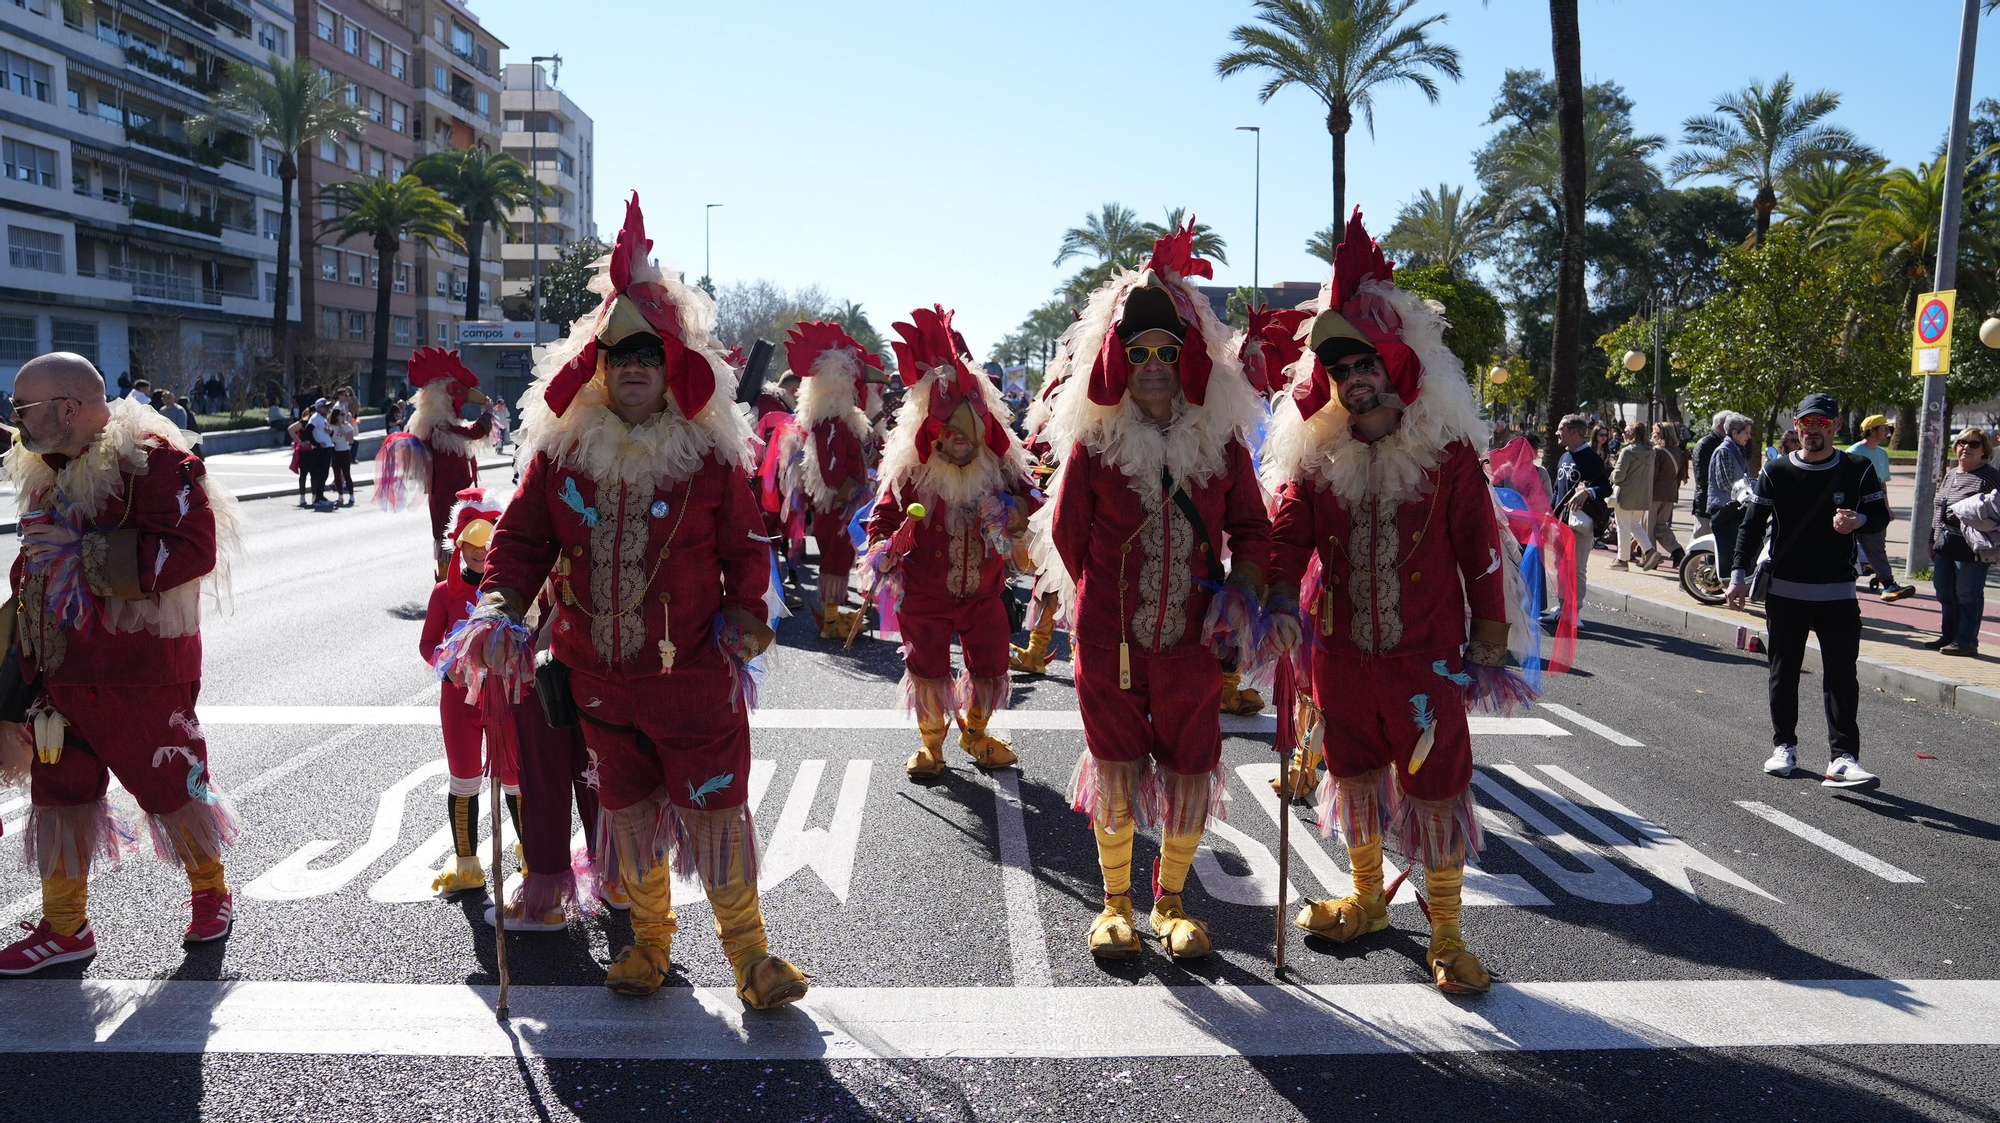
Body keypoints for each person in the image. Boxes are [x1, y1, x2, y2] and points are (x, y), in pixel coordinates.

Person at [445, 193, 805, 1008]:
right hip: (598, 678)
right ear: (598, 366)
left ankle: (750, 957)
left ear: (673, 363)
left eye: (649, 351)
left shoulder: (708, 460)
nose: (634, 365)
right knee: (629, 815)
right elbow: (522, 543)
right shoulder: (561, 457)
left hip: (693, 679)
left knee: (715, 811)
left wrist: (749, 613)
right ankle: (646, 945)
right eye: (620, 354)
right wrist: (498, 607)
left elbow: (746, 547)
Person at [1262, 211, 1530, 995]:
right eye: (1342, 370)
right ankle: (1368, 899)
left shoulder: (1445, 455)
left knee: (1436, 784)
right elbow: (1289, 533)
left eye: (1367, 365)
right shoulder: (1320, 457)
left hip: (1426, 656)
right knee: (1352, 773)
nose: (1355, 380)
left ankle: (1446, 931)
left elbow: (1480, 545)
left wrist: (1488, 633)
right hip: (1342, 657)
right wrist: (1275, 592)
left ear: (1397, 367)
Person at [1035, 220, 1271, 962]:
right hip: (1112, 644)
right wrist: (1103, 611)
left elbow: (1254, 531)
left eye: (1168, 350)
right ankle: (1114, 906)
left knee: (1191, 765)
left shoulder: (1222, 445)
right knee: (1114, 764)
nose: (1154, 364)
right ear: (1117, 361)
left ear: (1189, 358)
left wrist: (1242, 595)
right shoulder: (1094, 445)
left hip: (1195, 645)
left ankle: (1169, 901)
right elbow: (1069, 538)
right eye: (1138, 352)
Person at [0, 352, 243, 975]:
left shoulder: (155, 462)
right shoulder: (44, 464)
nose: (14, 417)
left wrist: (84, 553)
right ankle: (64, 928)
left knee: (171, 785)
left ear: (68, 409)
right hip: (58, 669)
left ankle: (211, 893)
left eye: (22, 406)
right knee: (60, 794)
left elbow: (194, 549)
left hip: (140, 672)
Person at [866, 304, 1037, 779]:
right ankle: (932, 746)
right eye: (949, 430)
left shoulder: (999, 468)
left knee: (990, 666)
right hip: (925, 594)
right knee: (928, 672)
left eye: (969, 430)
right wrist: (883, 547)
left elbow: (1033, 501)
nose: (959, 439)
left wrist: (1013, 513)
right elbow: (882, 516)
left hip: (984, 593)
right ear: (934, 432)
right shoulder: (912, 471)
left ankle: (975, 734)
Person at [1726, 393, 1892, 791]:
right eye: (1806, 423)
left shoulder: (1857, 467)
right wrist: (1736, 573)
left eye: (1821, 424)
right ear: (1796, 427)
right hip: (1786, 590)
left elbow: (1881, 515)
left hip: (1837, 592)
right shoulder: (1777, 471)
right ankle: (1784, 746)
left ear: (1835, 427)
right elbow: (1752, 524)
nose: (1812, 431)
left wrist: (1860, 519)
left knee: (1841, 676)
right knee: (1783, 673)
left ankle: (1844, 759)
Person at [419, 488, 521, 896]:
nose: (480, 552)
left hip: (505, 698)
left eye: (489, 543)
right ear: (458, 545)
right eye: (472, 544)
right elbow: (428, 644)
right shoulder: (444, 592)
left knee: (515, 779)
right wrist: (449, 662)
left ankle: (532, 857)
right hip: (458, 700)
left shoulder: (512, 590)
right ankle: (467, 864)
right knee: (464, 780)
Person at [789, 321, 884, 638]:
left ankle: (833, 615)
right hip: (840, 507)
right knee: (834, 560)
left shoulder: (839, 420)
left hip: (846, 505)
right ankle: (830, 621)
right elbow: (830, 467)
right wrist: (849, 491)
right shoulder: (830, 422)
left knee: (839, 559)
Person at [376, 349, 495, 571]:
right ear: (440, 395)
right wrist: (486, 415)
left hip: (454, 488)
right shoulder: (439, 423)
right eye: (456, 391)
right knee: (448, 532)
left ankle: (453, 580)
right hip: (447, 490)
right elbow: (473, 433)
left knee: (455, 532)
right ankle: (446, 583)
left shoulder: (440, 421)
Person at [1925, 427, 2000, 657]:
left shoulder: (1989, 476)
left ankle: (1966, 640)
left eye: (1974, 444)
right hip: (1946, 541)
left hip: (1973, 543)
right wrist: (1932, 539)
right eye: (1961, 442)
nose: (1966, 447)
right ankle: (1949, 636)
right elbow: (1940, 509)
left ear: (1984, 451)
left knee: (1968, 593)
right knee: (1944, 591)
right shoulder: (1951, 473)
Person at [1846, 415, 1916, 602]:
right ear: (1872, 430)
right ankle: (1843, 587)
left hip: (1874, 510)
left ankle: (1888, 585)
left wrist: (1886, 509)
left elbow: (1882, 484)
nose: (1887, 432)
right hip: (1855, 509)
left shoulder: (1882, 454)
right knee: (1846, 550)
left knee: (1877, 548)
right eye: (1884, 428)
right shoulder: (1854, 452)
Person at [1554, 414, 1611, 614]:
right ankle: (1562, 607)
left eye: (1561, 429)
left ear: (1575, 432)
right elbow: (1557, 490)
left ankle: (1574, 611)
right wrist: (1551, 516)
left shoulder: (1591, 458)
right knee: (1560, 565)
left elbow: (1606, 488)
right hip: (1561, 522)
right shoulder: (1564, 455)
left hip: (1581, 523)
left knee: (1577, 568)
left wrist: (1587, 492)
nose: (1556, 433)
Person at [1705, 412, 1757, 569]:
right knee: (1727, 550)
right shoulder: (1725, 451)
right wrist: (1746, 496)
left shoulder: (1736, 449)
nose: (1749, 436)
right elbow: (1726, 483)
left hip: (1733, 507)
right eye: (1746, 432)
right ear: (1734, 432)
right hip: (1724, 508)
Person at [1609, 421, 1658, 570]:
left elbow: (1618, 475)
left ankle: (1622, 560)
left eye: (1627, 432)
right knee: (1634, 525)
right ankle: (1649, 551)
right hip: (1642, 496)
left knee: (1623, 527)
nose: (1623, 434)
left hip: (1625, 495)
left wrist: (1610, 475)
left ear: (1634, 434)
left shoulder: (1628, 451)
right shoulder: (1651, 452)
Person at [1650, 421, 1687, 568]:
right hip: (1671, 493)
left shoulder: (1657, 451)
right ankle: (1676, 551)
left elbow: (1652, 475)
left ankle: (1652, 559)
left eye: (1654, 432)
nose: (1652, 435)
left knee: (1649, 527)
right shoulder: (1679, 452)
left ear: (1660, 435)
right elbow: (1683, 475)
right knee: (1661, 525)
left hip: (1654, 493)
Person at [1691, 412, 1728, 537]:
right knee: (1698, 542)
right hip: (1705, 503)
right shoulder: (1704, 444)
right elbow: (1702, 477)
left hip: (1722, 504)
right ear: (1720, 426)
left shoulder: (1729, 444)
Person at [304, 398, 335, 507]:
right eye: (324, 406)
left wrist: (330, 432)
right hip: (320, 450)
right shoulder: (316, 417)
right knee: (320, 474)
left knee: (324, 474)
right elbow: (308, 431)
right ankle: (318, 498)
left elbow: (326, 433)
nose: (327, 408)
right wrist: (316, 444)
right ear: (319, 408)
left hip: (327, 448)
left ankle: (320, 496)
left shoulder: (323, 418)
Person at [328, 406, 359, 507]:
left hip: (345, 451)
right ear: (336, 416)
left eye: (344, 414)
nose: (344, 416)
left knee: (346, 474)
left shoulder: (347, 426)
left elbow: (351, 441)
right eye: (342, 415)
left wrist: (344, 433)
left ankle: (351, 495)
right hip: (335, 452)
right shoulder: (331, 426)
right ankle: (340, 495)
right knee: (336, 474)